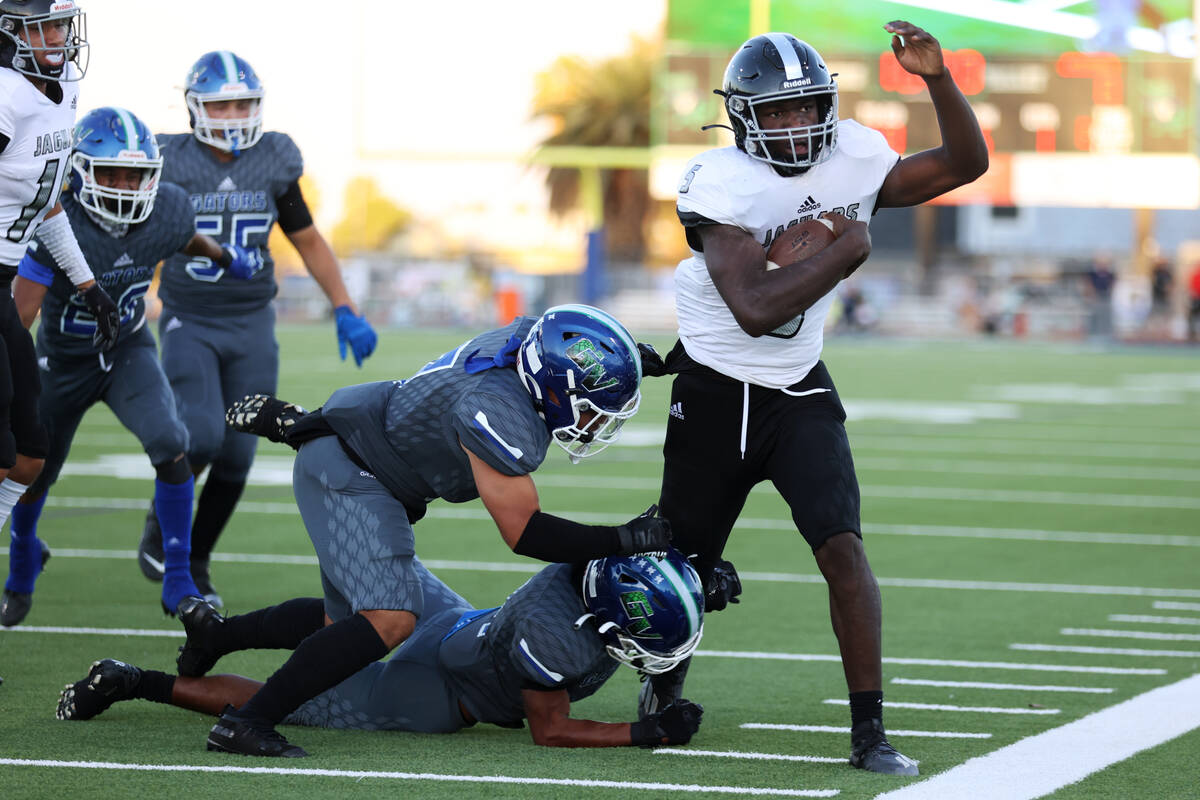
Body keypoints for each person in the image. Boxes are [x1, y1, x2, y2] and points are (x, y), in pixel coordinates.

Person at [640, 22, 988, 777]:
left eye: (808, 108)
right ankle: (662, 695)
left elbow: (965, 163)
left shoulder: (855, 154)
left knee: (843, 547)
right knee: (687, 561)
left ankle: (870, 732)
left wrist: (937, 79)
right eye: (778, 112)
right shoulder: (718, 180)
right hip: (716, 385)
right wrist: (846, 246)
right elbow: (755, 308)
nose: (797, 126)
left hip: (799, 385)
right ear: (742, 117)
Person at [185, 303, 674, 756]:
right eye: (590, 405)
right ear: (556, 387)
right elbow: (525, 533)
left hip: (368, 440)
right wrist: (622, 539)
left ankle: (218, 635)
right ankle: (246, 723)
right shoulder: (501, 413)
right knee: (390, 618)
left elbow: (563, 335)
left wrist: (625, 360)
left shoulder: (528, 340)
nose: (593, 421)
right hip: (356, 474)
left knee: (346, 627)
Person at [1, 107, 264, 625]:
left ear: (154, 177)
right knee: (34, 468)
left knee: (172, 441)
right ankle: (24, 557)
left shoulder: (168, 209)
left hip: (127, 350)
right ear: (79, 172)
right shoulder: (58, 222)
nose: (123, 186)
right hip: (62, 361)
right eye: (110, 174)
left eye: (135, 175)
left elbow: (183, 238)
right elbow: (20, 316)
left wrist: (225, 257)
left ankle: (179, 579)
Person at [138, 50, 378, 608]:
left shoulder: (273, 157)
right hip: (189, 316)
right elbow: (134, 228)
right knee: (200, 434)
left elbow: (308, 238)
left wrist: (345, 306)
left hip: (250, 319)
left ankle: (196, 560)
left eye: (244, 102)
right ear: (196, 108)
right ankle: (162, 522)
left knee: (240, 454)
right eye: (223, 105)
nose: (236, 114)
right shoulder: (169, 157)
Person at [55, 549, 706, 753]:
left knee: (355, 622)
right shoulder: (554, 639)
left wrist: (702, 581)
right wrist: (643, 731)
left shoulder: (588, 569)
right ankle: (130, 681)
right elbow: (552, 729)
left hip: (456, 622)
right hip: (436, 691)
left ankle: (218, 633)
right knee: (286, 699)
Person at [0, 1, 120, 630]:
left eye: (57, 27)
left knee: (29, 456)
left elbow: (47, 205)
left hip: (4, 277)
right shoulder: (4, 94)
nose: (53, 39)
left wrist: (89, 285)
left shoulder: (62, 90)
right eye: (38, 28)